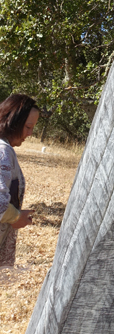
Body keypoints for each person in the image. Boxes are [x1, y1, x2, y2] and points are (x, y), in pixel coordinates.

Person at [0, 94, 40, 267]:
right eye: (28, 126)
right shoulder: (3, 152)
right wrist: (16, 217)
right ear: (13, 121)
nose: (30, 133)